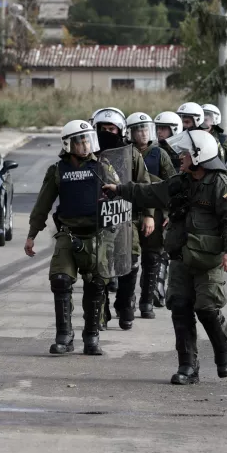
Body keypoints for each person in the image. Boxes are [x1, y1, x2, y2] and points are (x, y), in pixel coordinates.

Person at [103, 130, 227, 385]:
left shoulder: (220, 184)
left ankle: (223, 350)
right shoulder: (180, 182)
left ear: (199, 157)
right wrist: (119, 189)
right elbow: (150, 192)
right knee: (179, 308)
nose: (181, 157)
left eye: (186, 154)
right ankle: (188, 367)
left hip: (207, 261)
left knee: (207, 308)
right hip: (180, 258)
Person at [26, 121, 114, 355]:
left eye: (87, 140)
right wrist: (32, 234)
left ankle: (91, 337)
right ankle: (64, 336)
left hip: (97, 235)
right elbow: (42, 204)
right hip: (69, 233)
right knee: (60, 280)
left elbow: (121, 195)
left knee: (96, 284)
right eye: (80, 141)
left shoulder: (103, 166)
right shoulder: (57, 170)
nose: (85, 146)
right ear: (68, 144)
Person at [92, 107, 152, 331]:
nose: (107, 133)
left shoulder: (131, 154)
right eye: (103, 129)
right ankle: (101, 310)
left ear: (120, 130)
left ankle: (125, 304)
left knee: (131, 262)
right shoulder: (90, 152)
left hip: (126, 217)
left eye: (112, 129)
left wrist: (148, 215)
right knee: (99, 267)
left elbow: (145, 185)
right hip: (98, 220)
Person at [126, 113, 177, 320]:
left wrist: (169, 213)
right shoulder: (124, 153)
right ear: (130, 132)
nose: (143, 133)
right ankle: (127, 300)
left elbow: (173, 184)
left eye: (146, 128)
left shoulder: (159, 154)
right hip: (129, 213)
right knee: (130, 259)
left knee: (152, 257)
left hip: (155, 214)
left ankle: (147, 301)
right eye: (138, 129)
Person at [152, 111, 183, 307]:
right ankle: (157, 287)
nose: (160, 132)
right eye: (158, 128)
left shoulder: (183, 152)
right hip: (160, 206)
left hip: (182, 207)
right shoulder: (154, 152)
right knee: (160, 249)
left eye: (164, 128)